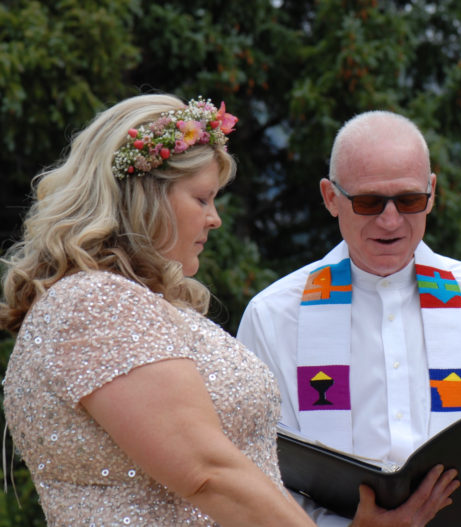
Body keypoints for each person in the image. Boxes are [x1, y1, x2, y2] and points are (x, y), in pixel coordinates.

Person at [0, 94, 320, 526]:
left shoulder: (120, 301)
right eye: (203, 199)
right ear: (146, 197)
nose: (215, 219)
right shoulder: (97, 305)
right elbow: (208, 472)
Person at [237, 110, 461, 526]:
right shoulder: (274, 315)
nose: (391, 220)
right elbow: (257, 470)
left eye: (409, 200)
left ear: (432, 193)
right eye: (369, 202)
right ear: (330, 198)